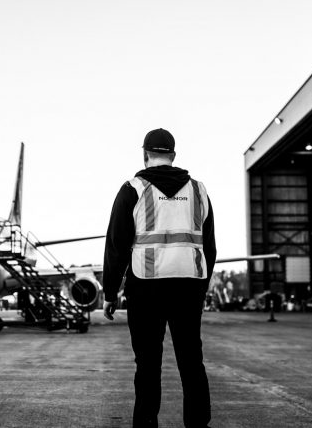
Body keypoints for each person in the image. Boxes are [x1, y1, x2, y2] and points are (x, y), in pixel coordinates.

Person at [103, 128, 216, 428]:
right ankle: (197, 424)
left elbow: (116, 244)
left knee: (148, 364)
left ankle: (146, 423)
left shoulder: (133, 189)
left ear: (145, 154)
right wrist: (201, 288)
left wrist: (110, 292)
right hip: (188, 286)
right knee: (191, 361)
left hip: (146, 287)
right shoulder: (199, 190)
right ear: (174, 156)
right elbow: (210, 247)